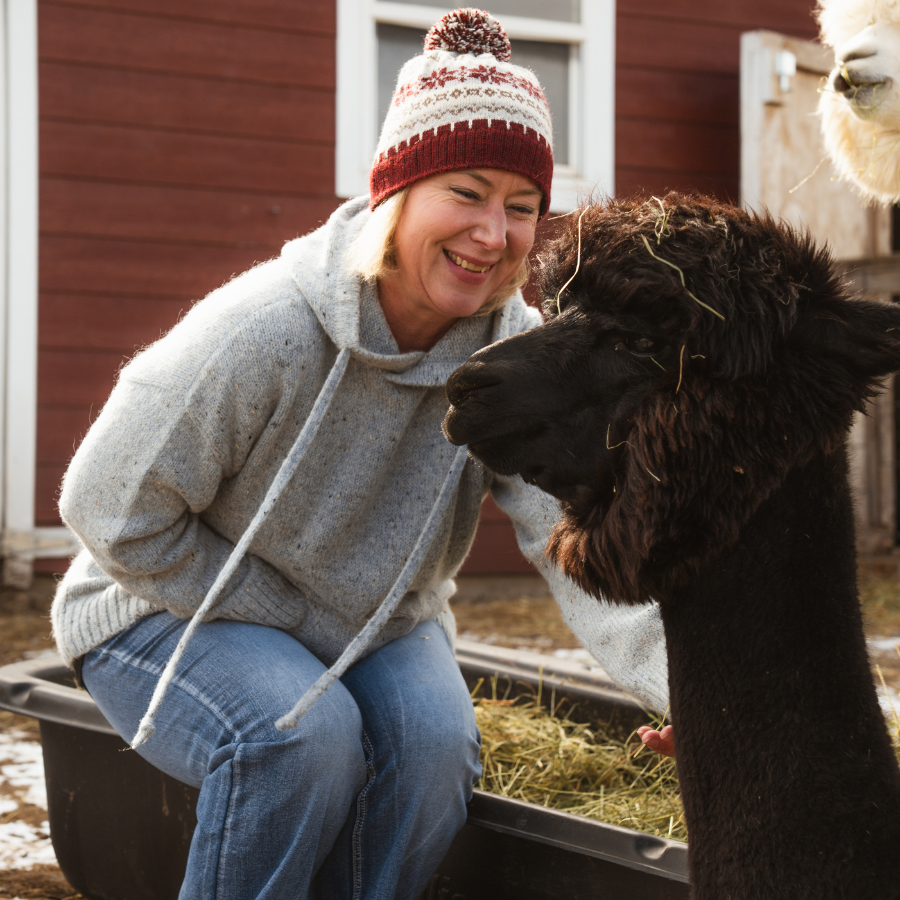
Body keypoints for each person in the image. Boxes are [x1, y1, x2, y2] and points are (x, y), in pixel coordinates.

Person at [51, 9, 670, 899]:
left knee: (433, 754)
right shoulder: (262, 328)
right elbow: (104, 505)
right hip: (157, 603)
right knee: (300, 736)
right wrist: (294, 626)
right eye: (467, 191)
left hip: (374, 620)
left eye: (522, 206)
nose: (494, 234)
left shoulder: (515, 356)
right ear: (397, 193)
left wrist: (675, 689)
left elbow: (575, 536)